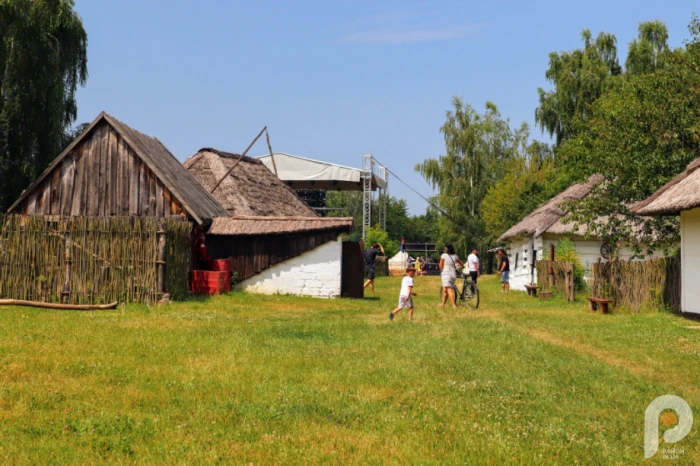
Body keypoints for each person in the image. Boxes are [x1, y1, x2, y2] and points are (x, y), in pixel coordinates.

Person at [439, 243, 465, 308]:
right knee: (446, 290)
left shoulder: (444, 255)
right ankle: (443, 304)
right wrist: (461, 267)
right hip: (453, 274)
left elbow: (440, 266)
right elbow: (462, 264)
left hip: (446, 274)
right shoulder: (455, 256)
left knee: (449, 289)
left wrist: (443, 269)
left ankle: (454, 305)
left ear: (446, 248)